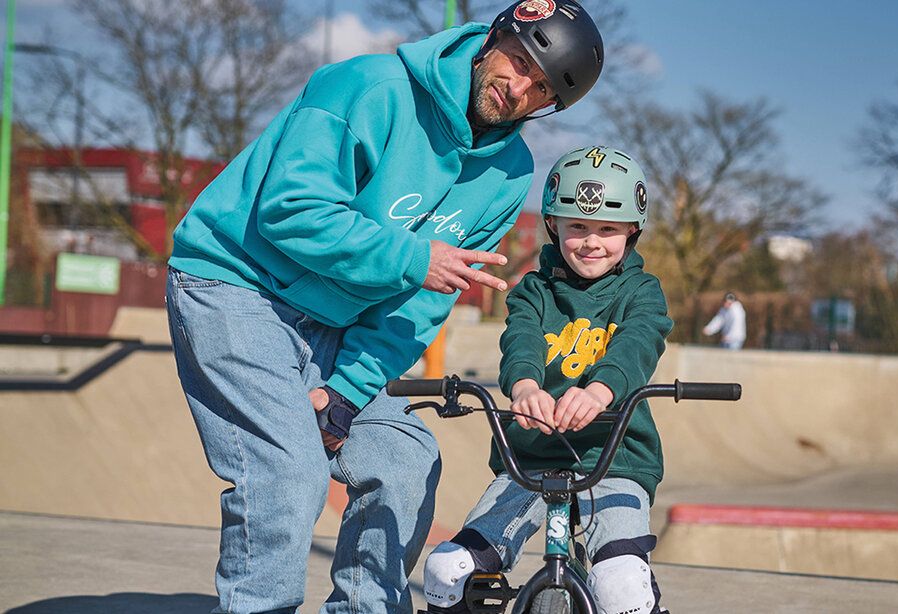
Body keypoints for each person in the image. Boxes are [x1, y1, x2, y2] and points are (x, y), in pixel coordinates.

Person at [164, 2, 604, 612]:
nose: (519, 88)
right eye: (520, 61)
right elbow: (291, 209)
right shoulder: (368, 87)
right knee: (288, 475)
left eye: (541, 89)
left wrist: (345, 394)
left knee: (404, 457)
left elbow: (420, 306)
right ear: (492, 37)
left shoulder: (508, 174)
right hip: (238, 285)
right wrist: (414, 258)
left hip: (334, 328)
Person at [422, 146, 673, 613]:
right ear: (554, 225)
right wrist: (524, 387)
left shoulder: (642, 291)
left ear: (632, 231)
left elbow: (639, 341)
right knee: (446, 571)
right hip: (532, 456)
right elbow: (521, 342)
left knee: (621, 583)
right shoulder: (535, 290)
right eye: (577, 226)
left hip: (613, 457)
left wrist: (600, 390)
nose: (591, 241)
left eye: (608, 229)